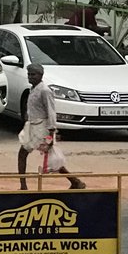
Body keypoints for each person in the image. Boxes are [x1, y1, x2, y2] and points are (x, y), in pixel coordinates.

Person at [17, 62, 84, 190]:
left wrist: (52, 131)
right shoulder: (33, 89)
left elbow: (51, 111)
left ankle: (23, 186)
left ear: (41, 75)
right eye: (29, 74)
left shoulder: (45, 91)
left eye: (33, 75)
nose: (30, 77)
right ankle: (75, 181)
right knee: (52, 159)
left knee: (25, 153)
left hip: (41, 128)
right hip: (32, 126)